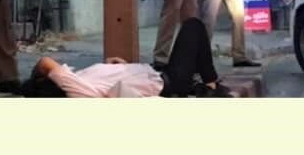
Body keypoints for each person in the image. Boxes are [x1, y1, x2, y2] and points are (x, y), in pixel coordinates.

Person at [22, 18, 232, 98]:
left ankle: (208, 85)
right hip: (167, 81)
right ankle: (210, 86)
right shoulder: (74, 89)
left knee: (193, 35)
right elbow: (44, 63)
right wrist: (33, 81)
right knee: (192, 26)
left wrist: (116, 68)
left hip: (155, 72)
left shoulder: (78, 82)